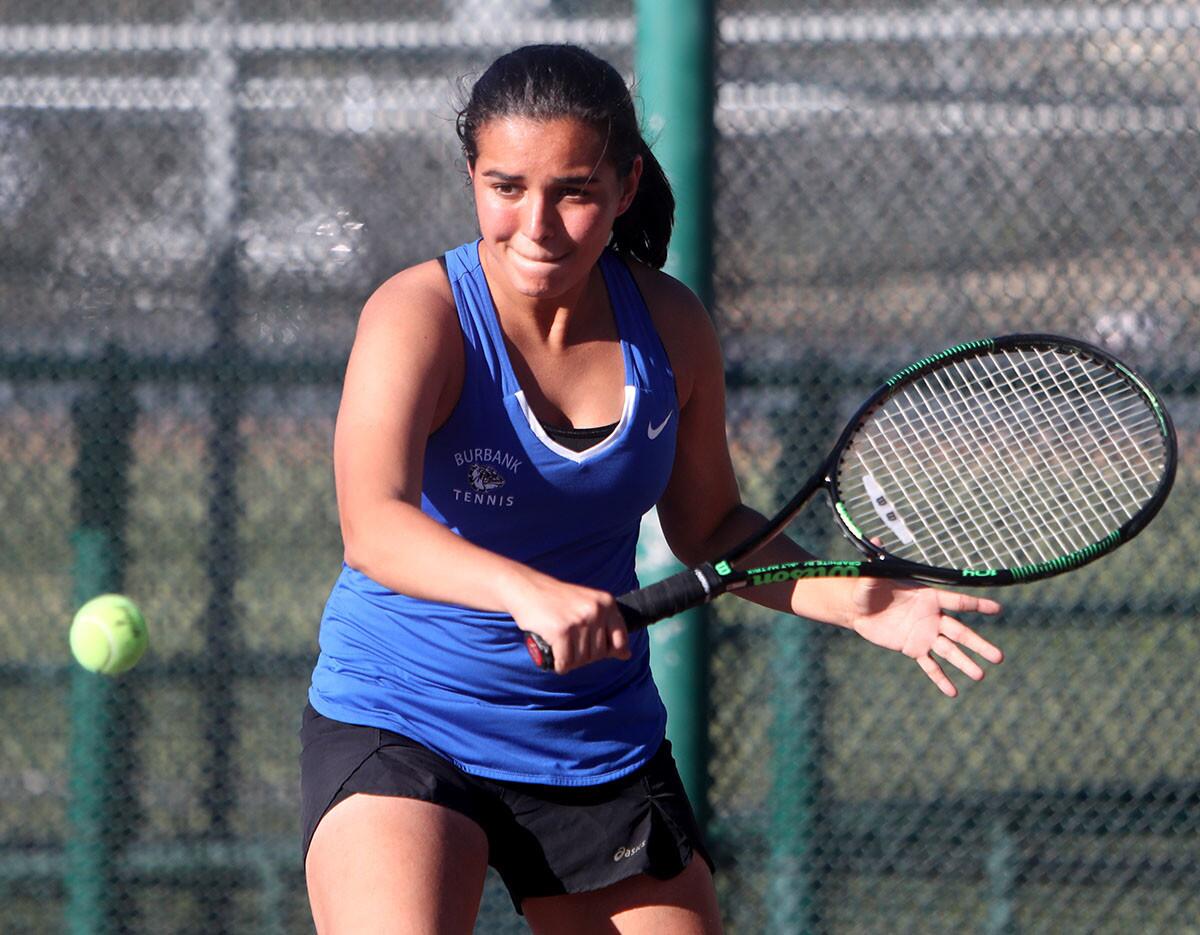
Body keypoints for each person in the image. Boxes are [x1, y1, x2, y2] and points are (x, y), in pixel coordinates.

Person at [300, 43, 1004, 935]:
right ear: (472, 174)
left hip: (593, 736)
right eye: (506, 186)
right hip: (404, 713)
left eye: (575, 191)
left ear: (626, 187)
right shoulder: (419, 316)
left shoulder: (670, 326)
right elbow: (375, 525)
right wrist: (528, 592)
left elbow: (710, 523)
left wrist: (857, 604)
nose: (538, 223)